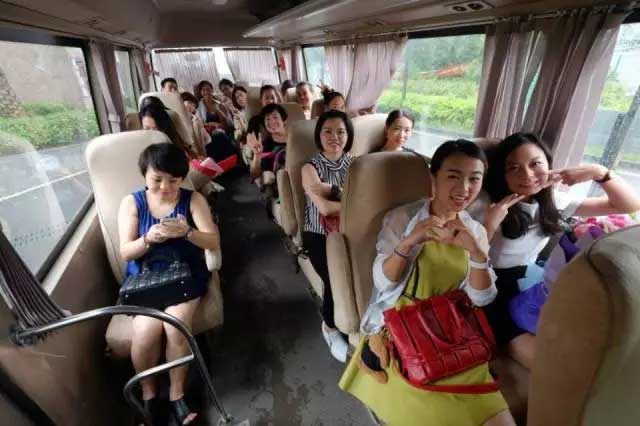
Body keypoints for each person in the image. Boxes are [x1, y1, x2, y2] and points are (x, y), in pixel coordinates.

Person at [340, 140, 515, 426]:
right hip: (401, 329)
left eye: (474, 179)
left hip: (452, 332)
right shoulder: (403, 218)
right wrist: (409, 242)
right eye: (453, 176)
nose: (464, 188)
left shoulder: (474, 231)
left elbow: (481, 298)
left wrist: (477, 254)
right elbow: (383, 283)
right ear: (434, 178)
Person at [482, 132, 640, 370]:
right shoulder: (486, 204)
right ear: (500, 174)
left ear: (549, 165)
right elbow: (465, 258)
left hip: (532, 281)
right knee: (552, 365)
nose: (527, 174)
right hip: (492, 286)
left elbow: (628, 205)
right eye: (513, 168)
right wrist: (489, 224)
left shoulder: (554, 202)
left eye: (535, 164)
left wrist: (598, 172)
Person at [118, 143, 220, 425]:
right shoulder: (132, 203)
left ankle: (177, 394)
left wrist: (187, 232)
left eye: (173, 181)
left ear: (182, 178)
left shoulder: (193, 200)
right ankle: (149, 394)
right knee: (145, 332)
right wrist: (148, 239)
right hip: (146, 279)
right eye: (157, 180)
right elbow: (126, 252)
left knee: (176, 325)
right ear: (145, 176)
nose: (165, 187)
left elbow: (212, 240)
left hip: (185, 275)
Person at [301, 110, 354, 362]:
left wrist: (331, 189)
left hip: (352, 231)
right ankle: (330, 327)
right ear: (319, 135)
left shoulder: (357, 165)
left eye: (341, 132)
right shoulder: (309, 168)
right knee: (334, 280)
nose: (335, 137)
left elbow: (364, 203)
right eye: (328, 131)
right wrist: (348, 197)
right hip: (319, 234)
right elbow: (324, 209)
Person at [247, 103, 288, 185]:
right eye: (267, 119)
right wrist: (257, 155)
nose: (272, 121)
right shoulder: (265, 145)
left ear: (284, 120)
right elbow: (254, 175)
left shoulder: (297, 135)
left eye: (275, 117)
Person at [181, 92, 211, 157]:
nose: (191, 106)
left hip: (206, 144)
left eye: (194, 105)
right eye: (189, 102)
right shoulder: (192, 120)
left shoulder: (194, 118)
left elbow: (201, 140)